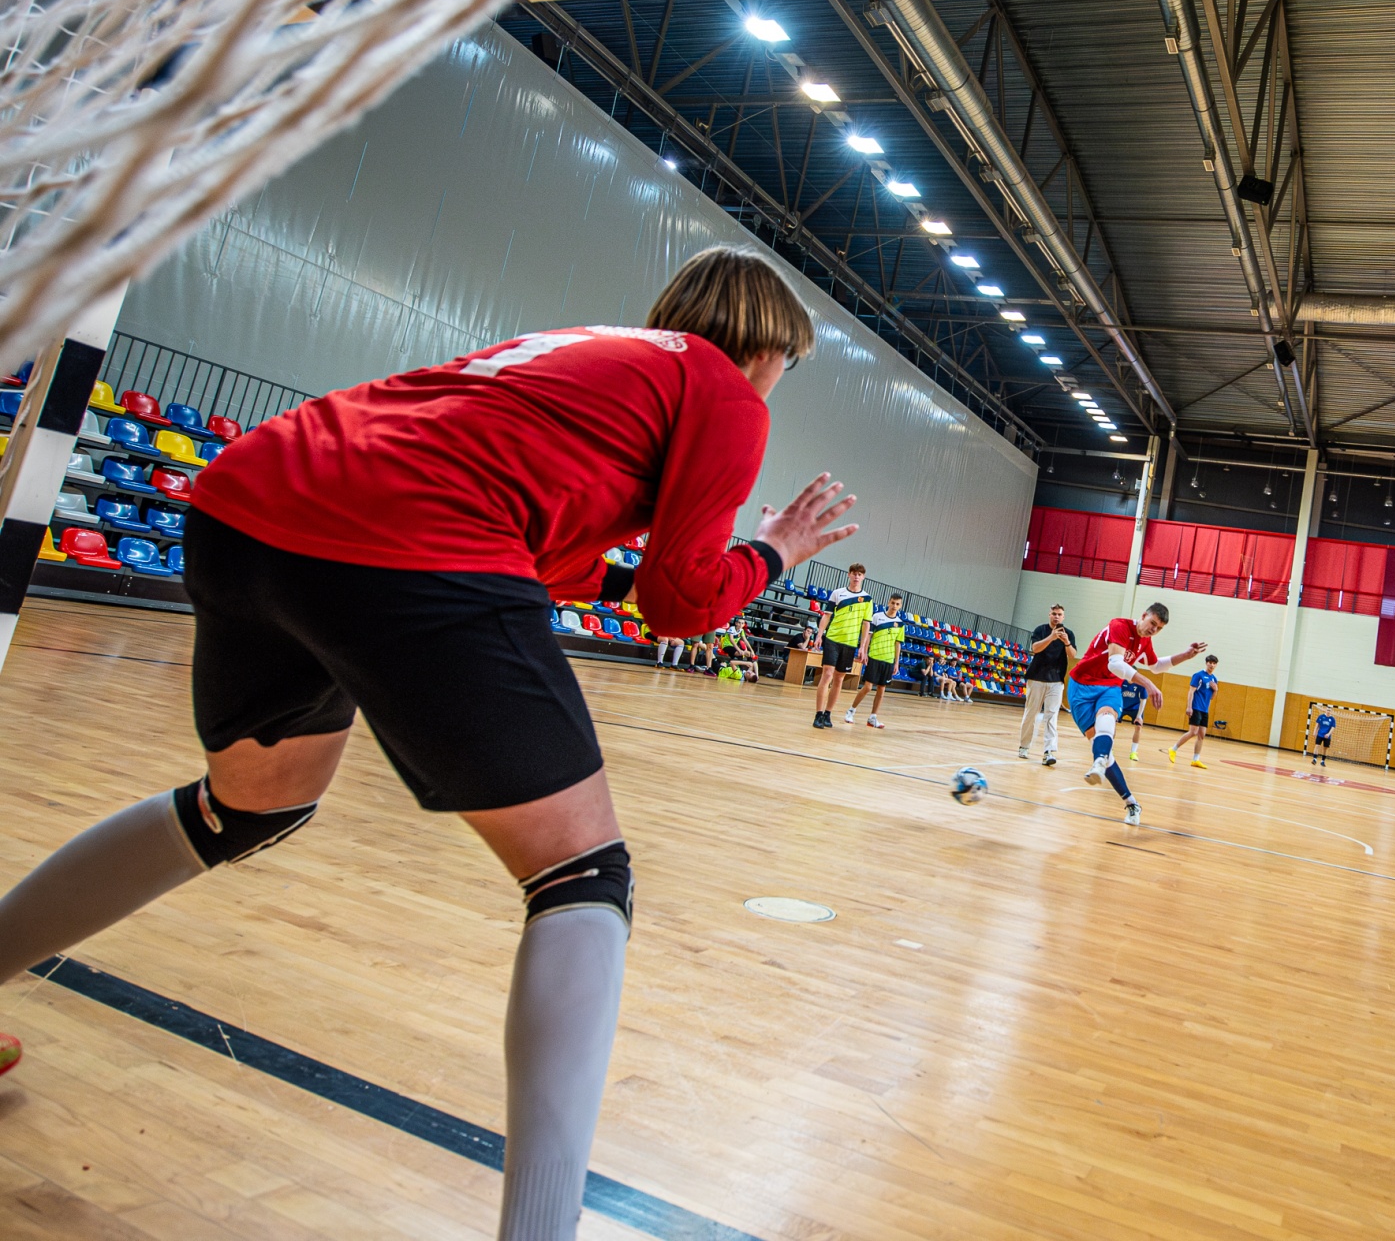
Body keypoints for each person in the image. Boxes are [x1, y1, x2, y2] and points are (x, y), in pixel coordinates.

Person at [0, 245, 857, 1237]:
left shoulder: (591, 351)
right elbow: (682, 604)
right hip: (404, 539)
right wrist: (773, 551)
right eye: (789, 366)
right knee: (582, 874)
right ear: (769, 350)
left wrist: (658, 573)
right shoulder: (723, 388)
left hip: (250, 502)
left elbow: (551, 554)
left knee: (243, 809)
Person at [1064, 602, 1206, 826]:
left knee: (1106, 720)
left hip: (1109, 687)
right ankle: (1131, 802)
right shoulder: (1119, 626)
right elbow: (1115, 664)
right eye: (1152, 623)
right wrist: (1147, 683)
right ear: (1143, 616)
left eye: (1159, 628)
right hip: (1081, 686)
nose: (1154, 630)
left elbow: (1156, 666)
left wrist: (1186, 655)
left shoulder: (1145, 641)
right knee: (1104, 749)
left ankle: (1098, 762)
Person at [811, 563, 873, 729]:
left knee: (839, 678)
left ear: (863, 577)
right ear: (849, 575)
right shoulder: (837, 593)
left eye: (859, 574)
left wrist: (863, 647)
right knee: (827, 674)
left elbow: (866, 625)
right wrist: (819, 635)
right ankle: (818, 714)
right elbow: (826, 616)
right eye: (854, 573)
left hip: (850, 643)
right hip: (833, 639)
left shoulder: (867, 599)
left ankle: (827, 714)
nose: (856, 576)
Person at [1018, 604, 1077, 766]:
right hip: (1036, 678)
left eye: (1059, 614)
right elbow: (1035, 648)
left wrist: (1066, 642)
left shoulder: (1069, 633)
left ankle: (1048, 752)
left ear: (1063, 617)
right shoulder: (1040, 630)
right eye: (1054, 613)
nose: (1056, 616)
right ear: (1049, 615)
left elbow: (1073, 655)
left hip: (1056, 681)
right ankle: (1024, 746)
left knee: (1052, 716)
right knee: (1031, 714)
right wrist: (1051, 637)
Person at [848, 594, 905, 728]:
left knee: (881, 689)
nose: (894, 606)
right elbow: (868, 636)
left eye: (897, 604)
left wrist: (896, 662)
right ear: (888, 602)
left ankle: (872, 718)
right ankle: (851, 711)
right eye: (893, 603)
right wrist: (865, 652)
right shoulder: (877, 617)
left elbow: (898, 644)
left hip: (888, 660)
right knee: (868, 687)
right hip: (874, 657)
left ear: (900, 606)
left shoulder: (900, 624)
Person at [1167, 654, 1220, 768]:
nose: (1212, 665)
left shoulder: (1214, 679)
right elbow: (1191, 691)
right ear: (1206, 663)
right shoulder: (1198, 675)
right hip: (1196, 707)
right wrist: (1189, 707)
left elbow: (1211, 697)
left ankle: (1195, 760)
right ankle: (1173, 749)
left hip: (1205, 709)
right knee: (1193, 732)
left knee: (1201, 735)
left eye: (1214, 663)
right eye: (1210, 663)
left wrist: (1216, 690)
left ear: (1216, 665)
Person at [1120, 675, 1150, 760]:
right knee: (1112, 724)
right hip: (1121, 706)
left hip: (1135, 708)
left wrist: (1139, 716)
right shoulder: (1121, 681)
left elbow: (1143, 700)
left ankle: (1133, 752)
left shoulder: (1141, 684)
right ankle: (1110, 750)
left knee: (1138, 727)